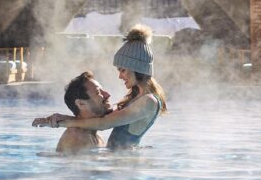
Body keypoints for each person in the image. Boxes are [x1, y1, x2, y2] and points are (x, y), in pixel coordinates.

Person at [32, 25, 167, 150]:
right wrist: (64, 117)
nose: (120, 76)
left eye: (123, 70)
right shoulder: (137, 98)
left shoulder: (148, 101)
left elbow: (103, 123)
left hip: (122, 167)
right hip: (119, 164)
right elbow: (100, 119)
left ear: (136, 68)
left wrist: (59, 123)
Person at [52, 71, 112, 154]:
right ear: (81, 103)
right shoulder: (77, 137)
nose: (107, 94)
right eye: (98, 92)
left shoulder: (95, 136)